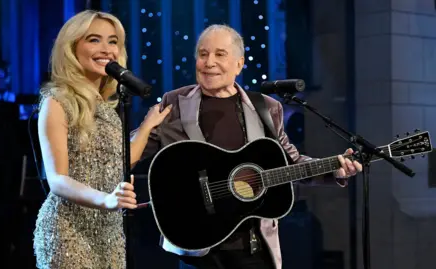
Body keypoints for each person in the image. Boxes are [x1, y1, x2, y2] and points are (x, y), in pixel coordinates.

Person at [130, 24, 362, 269]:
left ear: (239, 64)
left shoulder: (266, 107)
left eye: (220, 54)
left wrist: (334, 170)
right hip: (195, 244)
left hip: (253, 246)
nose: (209, 62)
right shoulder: (174, 102)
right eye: (202, 54)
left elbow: (290, 163)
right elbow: (127, 156)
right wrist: (145, 128)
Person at [33, 10, 171, 269]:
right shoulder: (57, 101)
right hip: (68, 231)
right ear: (73, 47)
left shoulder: (106, 106)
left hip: (108, 231)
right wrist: (107, 200)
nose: (106, 49)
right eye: (94, 40)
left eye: (113, 41)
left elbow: (118, 164)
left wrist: (148, 126)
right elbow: (57, 180)